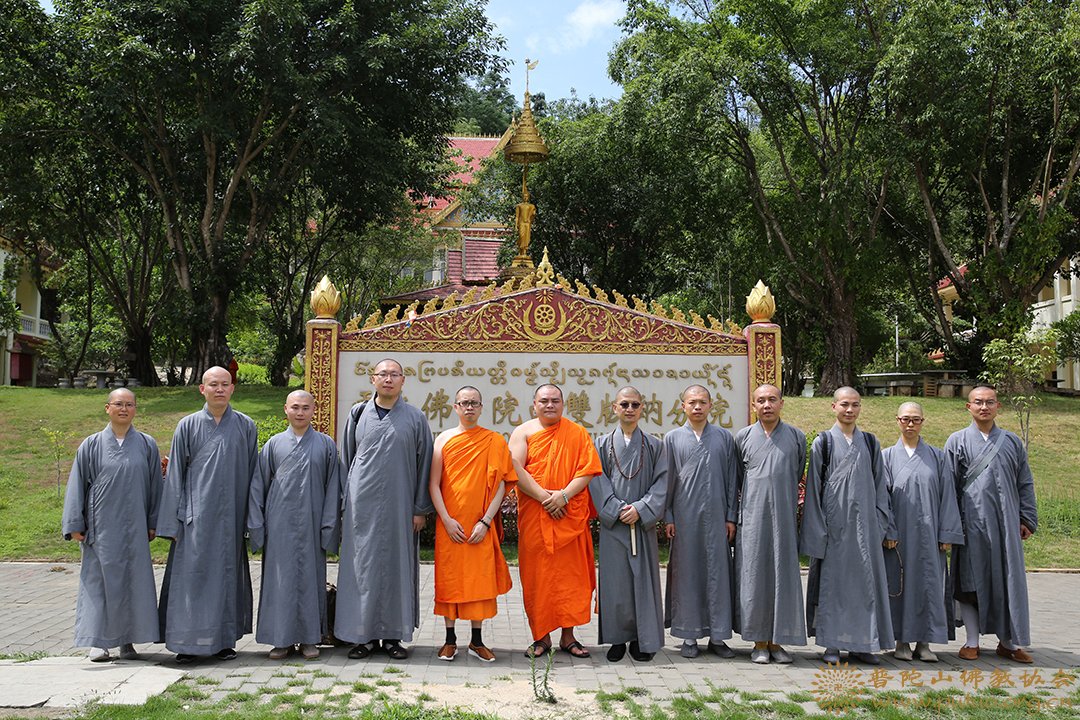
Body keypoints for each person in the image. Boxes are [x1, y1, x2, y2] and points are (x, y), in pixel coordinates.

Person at [157, 366, 257, 664]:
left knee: (226, 578)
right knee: (191, 579)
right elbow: (175, 474)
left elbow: (253, 475)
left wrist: (252, 520)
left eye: (225, 384)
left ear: (232, 388)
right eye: (213, 384)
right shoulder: (187, 425)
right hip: (195, 517)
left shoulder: (245, 425)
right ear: (202, 389)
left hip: (231, 518)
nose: (219, 389)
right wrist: (171, 522)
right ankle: (186, 642)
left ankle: (224, 641)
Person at [338, 359, 434, 660]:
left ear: (403, 380)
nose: (388, 379)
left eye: (394, 374)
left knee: (397, 568)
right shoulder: (357, 414)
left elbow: (424, 464)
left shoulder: (415, 418)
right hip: (361, 507)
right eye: (383, 374)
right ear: (373, 379)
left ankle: (393, 636)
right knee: (361, 569)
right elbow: (347, 460)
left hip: (400, 505)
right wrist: (346, 501)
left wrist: (420, 508)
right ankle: (362, 636)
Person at [62, 388, 161, 662]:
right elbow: (76, 485)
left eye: (129, 404)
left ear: (135, 409)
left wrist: (154, 521)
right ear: (107, 408)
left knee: (132, 583)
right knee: (99, 584)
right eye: (118, 404)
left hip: (135, 527)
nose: (124, 409)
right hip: (101, 527)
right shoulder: (91, 445)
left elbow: (155, 486)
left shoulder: (146, 444)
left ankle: (127, 642)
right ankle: (98, 642)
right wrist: (75, 523)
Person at [802, 386, 896, 665]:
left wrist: (881, 522)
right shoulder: (823, 443)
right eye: (844, 404)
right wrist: (818, 531)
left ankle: (863, 643)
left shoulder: (870, 442)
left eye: (855, 405)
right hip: (834, 529)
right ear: (834, 407)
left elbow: (880, 486)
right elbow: (813, 490)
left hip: (865, 528)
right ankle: (832, 643)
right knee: (833, 587)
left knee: (865, 587)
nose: (849, 410)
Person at [247, 390, 343, 661]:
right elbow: (258, 486)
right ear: (285, 409)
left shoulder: (325, 445)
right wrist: (257, 526)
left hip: (312, 522)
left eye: (305, 408)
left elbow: (333, 488)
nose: (300, 412)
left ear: (314, 410)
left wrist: (329, 526)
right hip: (279, 524)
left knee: (312, 581)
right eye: (295, 407)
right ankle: (281, 640)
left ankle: (311, 638)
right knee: (280, 581)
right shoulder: (273, 445)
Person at [509, 383, 603, 659]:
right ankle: (541, 637)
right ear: (534, 405)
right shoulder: (523, 432)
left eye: (555, 400)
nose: (550, 405)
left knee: (571, 579)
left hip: (569, 516)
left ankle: (568, 636)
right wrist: (544, 497)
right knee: (538, 578)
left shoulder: (577, 433)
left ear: (563, 404)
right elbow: (515, 468)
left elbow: (588, 469)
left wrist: (563, 496)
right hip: (536, 517)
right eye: (544, 401)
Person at [946, 384, 1037, 663]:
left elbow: (1024, 482)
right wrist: (950, 525)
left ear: (998, 406)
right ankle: (971, 641)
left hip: (1006, 525)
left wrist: (1026, 518)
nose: (984, 407)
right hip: (970, 525)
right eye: (978, 402)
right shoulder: (957, 441)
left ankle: (1008, 643)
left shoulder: (1012, 442)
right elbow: (948, 487)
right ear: (969, 406)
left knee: (1007, 581)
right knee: (969, 582)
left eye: (989, 402)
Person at [429, 386, 514, 663]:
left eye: (474, 403)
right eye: (464, 403)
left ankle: (477, 641)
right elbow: (433, 484)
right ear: (455, 407)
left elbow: (501, 484)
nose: (469, 408)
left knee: (479, 580)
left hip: (480, 525)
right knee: (450, 579)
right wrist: (446, 519)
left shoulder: (493, 440)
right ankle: (449, 640)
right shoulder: (443, 440)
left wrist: (486, 521)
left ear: (481, 407)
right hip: (450, 524)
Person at [589, 386, 668, 663]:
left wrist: (641, 509)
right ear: (615, 408)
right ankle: (617, 639)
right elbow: (596, 479)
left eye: (635, 404)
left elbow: (662, 482)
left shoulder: (656, 445)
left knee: (643, 582)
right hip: (614, 526)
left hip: (642, 525)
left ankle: (640, 639)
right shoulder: (601, 444)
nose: (630, 409)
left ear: (642, 408)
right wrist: (616, 509)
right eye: (624, 404)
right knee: (616, 583)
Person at [882, 401, 964, 663]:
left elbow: (948, 495)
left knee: (930, 585)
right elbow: (882, 498)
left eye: (915, 419)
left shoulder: (937, 457)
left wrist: (947, 533)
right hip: (899, 537)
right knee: (900, 586)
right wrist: (889, 530)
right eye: (905, 419)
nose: (910, 424)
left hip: (930, 536)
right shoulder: (886, 457)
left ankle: (925, 642)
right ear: (897, 420)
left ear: (922, 422)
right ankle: (901, 641)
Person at [663, 384, 739, 659]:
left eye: (702, 402)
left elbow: (732, 480)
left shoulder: (724, 438)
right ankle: (689, 634)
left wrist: (731, 516)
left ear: (710, 405)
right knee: (687, 573)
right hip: (684, 519)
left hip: (717, 518)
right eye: (692, 402)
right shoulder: (672, 439)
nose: (697, 407)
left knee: (718, 574)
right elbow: (667, 481)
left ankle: (718, 636)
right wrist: (668, 516)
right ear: (682, 406)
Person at [733, 384, 807, 665]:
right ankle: (759, 642)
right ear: (753, 406)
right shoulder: (743, 437)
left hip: (784, 520)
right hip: (753, 520)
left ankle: (778, 641)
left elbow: (796, 473)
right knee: (755, 578)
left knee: (782, 578)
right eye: (761, 401)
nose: (767, 405)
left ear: (781, 403)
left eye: (772, 400)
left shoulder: (796, 438)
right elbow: (737, 480)